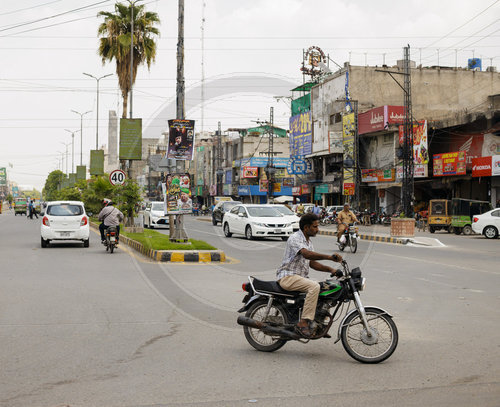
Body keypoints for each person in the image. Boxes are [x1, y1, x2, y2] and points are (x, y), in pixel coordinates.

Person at [276, 213, 343, 338]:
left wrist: (331, 270)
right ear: (306, 228)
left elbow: (312, 263)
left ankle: (319, 323)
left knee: (325, 287)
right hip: (288, 277)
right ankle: (303, 322)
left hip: (299, 278)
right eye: (315, 227)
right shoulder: (295, 238)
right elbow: (307, 255)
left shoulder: (308, 242)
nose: (317, 229)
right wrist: (329, 257)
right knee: (314, 287)